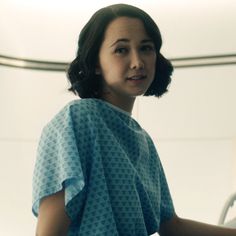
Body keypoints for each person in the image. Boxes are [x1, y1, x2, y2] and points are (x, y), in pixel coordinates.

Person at [32, 3, 236, 236]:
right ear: (96, 62)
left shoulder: (142, 140)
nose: (138, 61)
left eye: (146, 48)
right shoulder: (77, 121)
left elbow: (171, 226)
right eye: (121, 50)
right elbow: (48, 233)